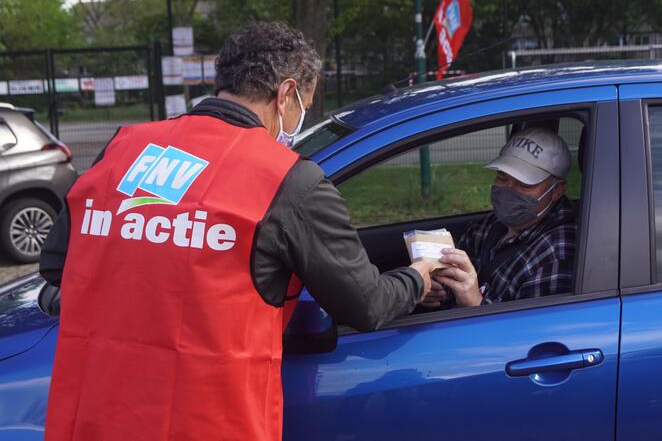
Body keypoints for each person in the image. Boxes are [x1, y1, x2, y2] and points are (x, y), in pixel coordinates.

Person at [39, 22, 438, 441]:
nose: (303, 115)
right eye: (306, 103)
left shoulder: (125, 147)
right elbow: (367, 305)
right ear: (286, 95)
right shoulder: (288, 181)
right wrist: (419, 276)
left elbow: (57, 267)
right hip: (211, 422)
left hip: (99, 419)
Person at [421, 127, 577, 309]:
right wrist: (437, 290)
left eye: (524, 184)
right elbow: (454, 275)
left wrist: (476, 304)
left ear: (556, 191)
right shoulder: (492, 224)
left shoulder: (557, 254)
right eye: (502, 178)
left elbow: (527, 333)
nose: (509, 189)